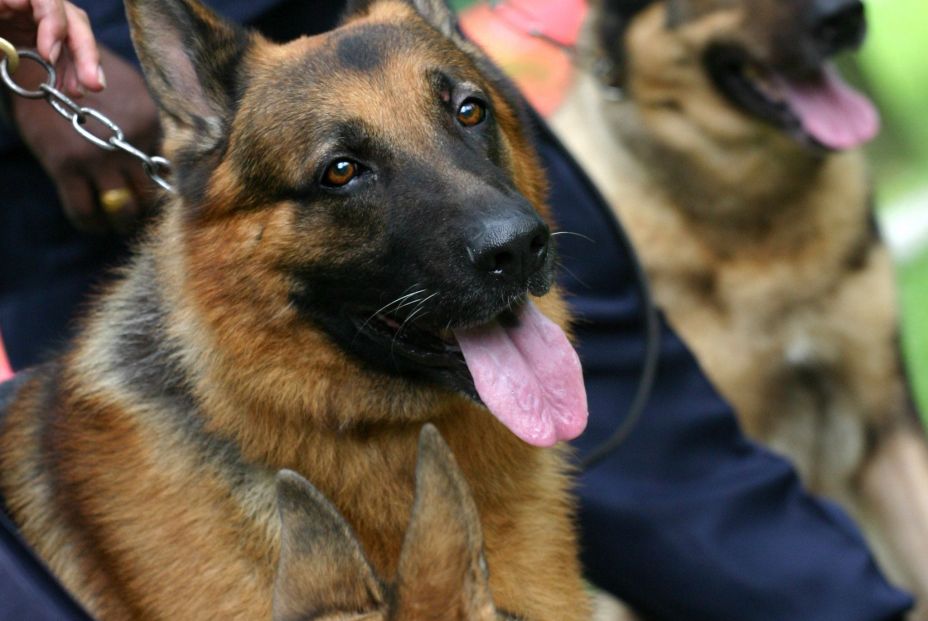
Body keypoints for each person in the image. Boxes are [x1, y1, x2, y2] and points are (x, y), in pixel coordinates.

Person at [0, 1, 915, 619]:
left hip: (321, 26)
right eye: (343, 173)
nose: (503, 229)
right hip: (69, 99)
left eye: (469, 112)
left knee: (671, 453)